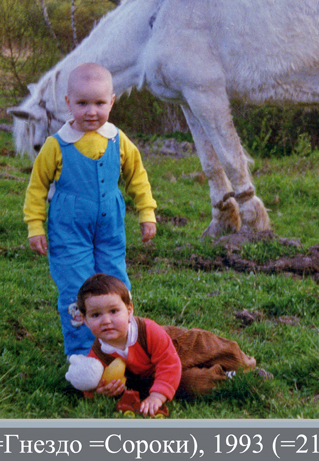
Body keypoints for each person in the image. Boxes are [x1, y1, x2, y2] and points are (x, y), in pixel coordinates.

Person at [24, 62, 158, 358]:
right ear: (68, 103)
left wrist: (146, 212)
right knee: (77, 288)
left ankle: (121, 346)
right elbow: (37, 188)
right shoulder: (56, 145)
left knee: (115, 283)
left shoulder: (118, 140)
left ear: (112, 102)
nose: (91, 111)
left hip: (110, 230)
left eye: (99, 103)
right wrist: (35, 226)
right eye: (82, 103)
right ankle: (83, 354)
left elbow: (137, 177)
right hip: (69, 230)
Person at [67, 273, 260, 418]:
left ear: (129, 310)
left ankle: (246, 365)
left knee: (216, 349)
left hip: (179, 346)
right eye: (96, 315)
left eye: (113, 311)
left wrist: (157, 397)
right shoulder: (99, 352)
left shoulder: (147, 330)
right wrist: (98, 391)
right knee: (192, 385)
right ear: (85, 320)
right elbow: (90, 380)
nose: (106, 320)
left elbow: (168, 362)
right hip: (155, 373)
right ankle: (227, 377)